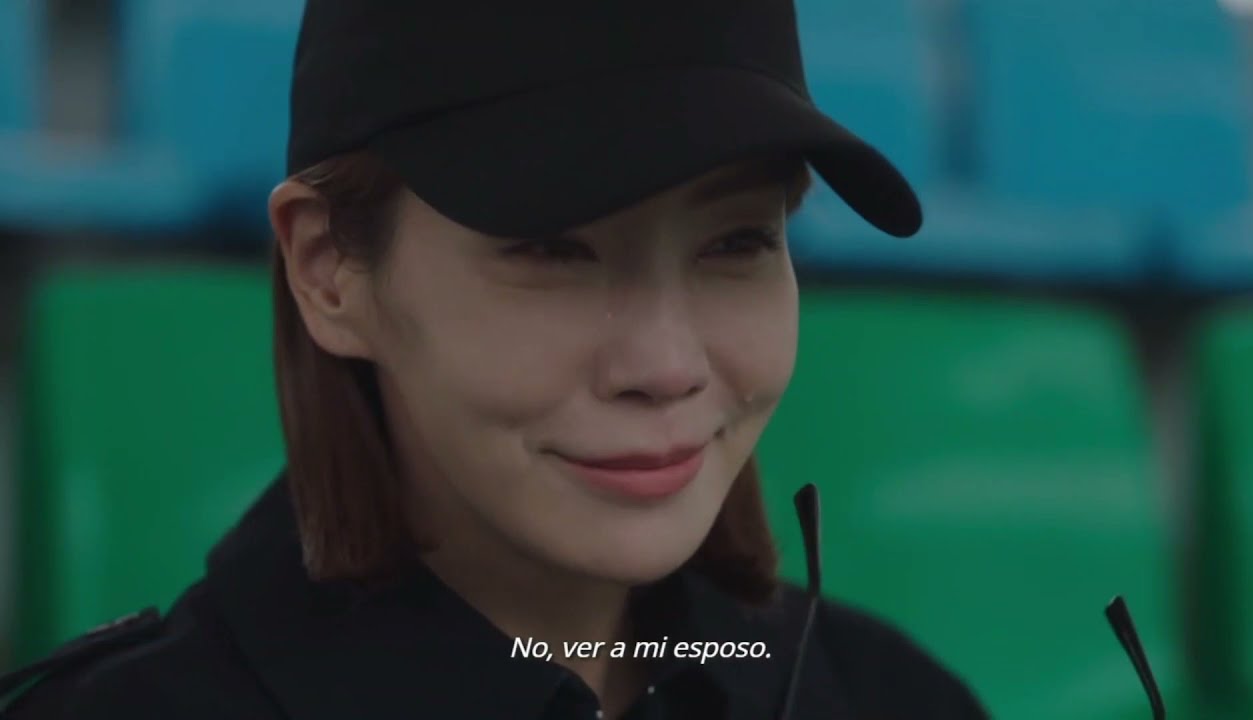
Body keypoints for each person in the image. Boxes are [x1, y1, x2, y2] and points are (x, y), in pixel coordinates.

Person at [1, 1, 988, 718]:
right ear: (329, 269)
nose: (664, 365)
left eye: (737, 241)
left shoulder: (891, 698)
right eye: (551, 249)